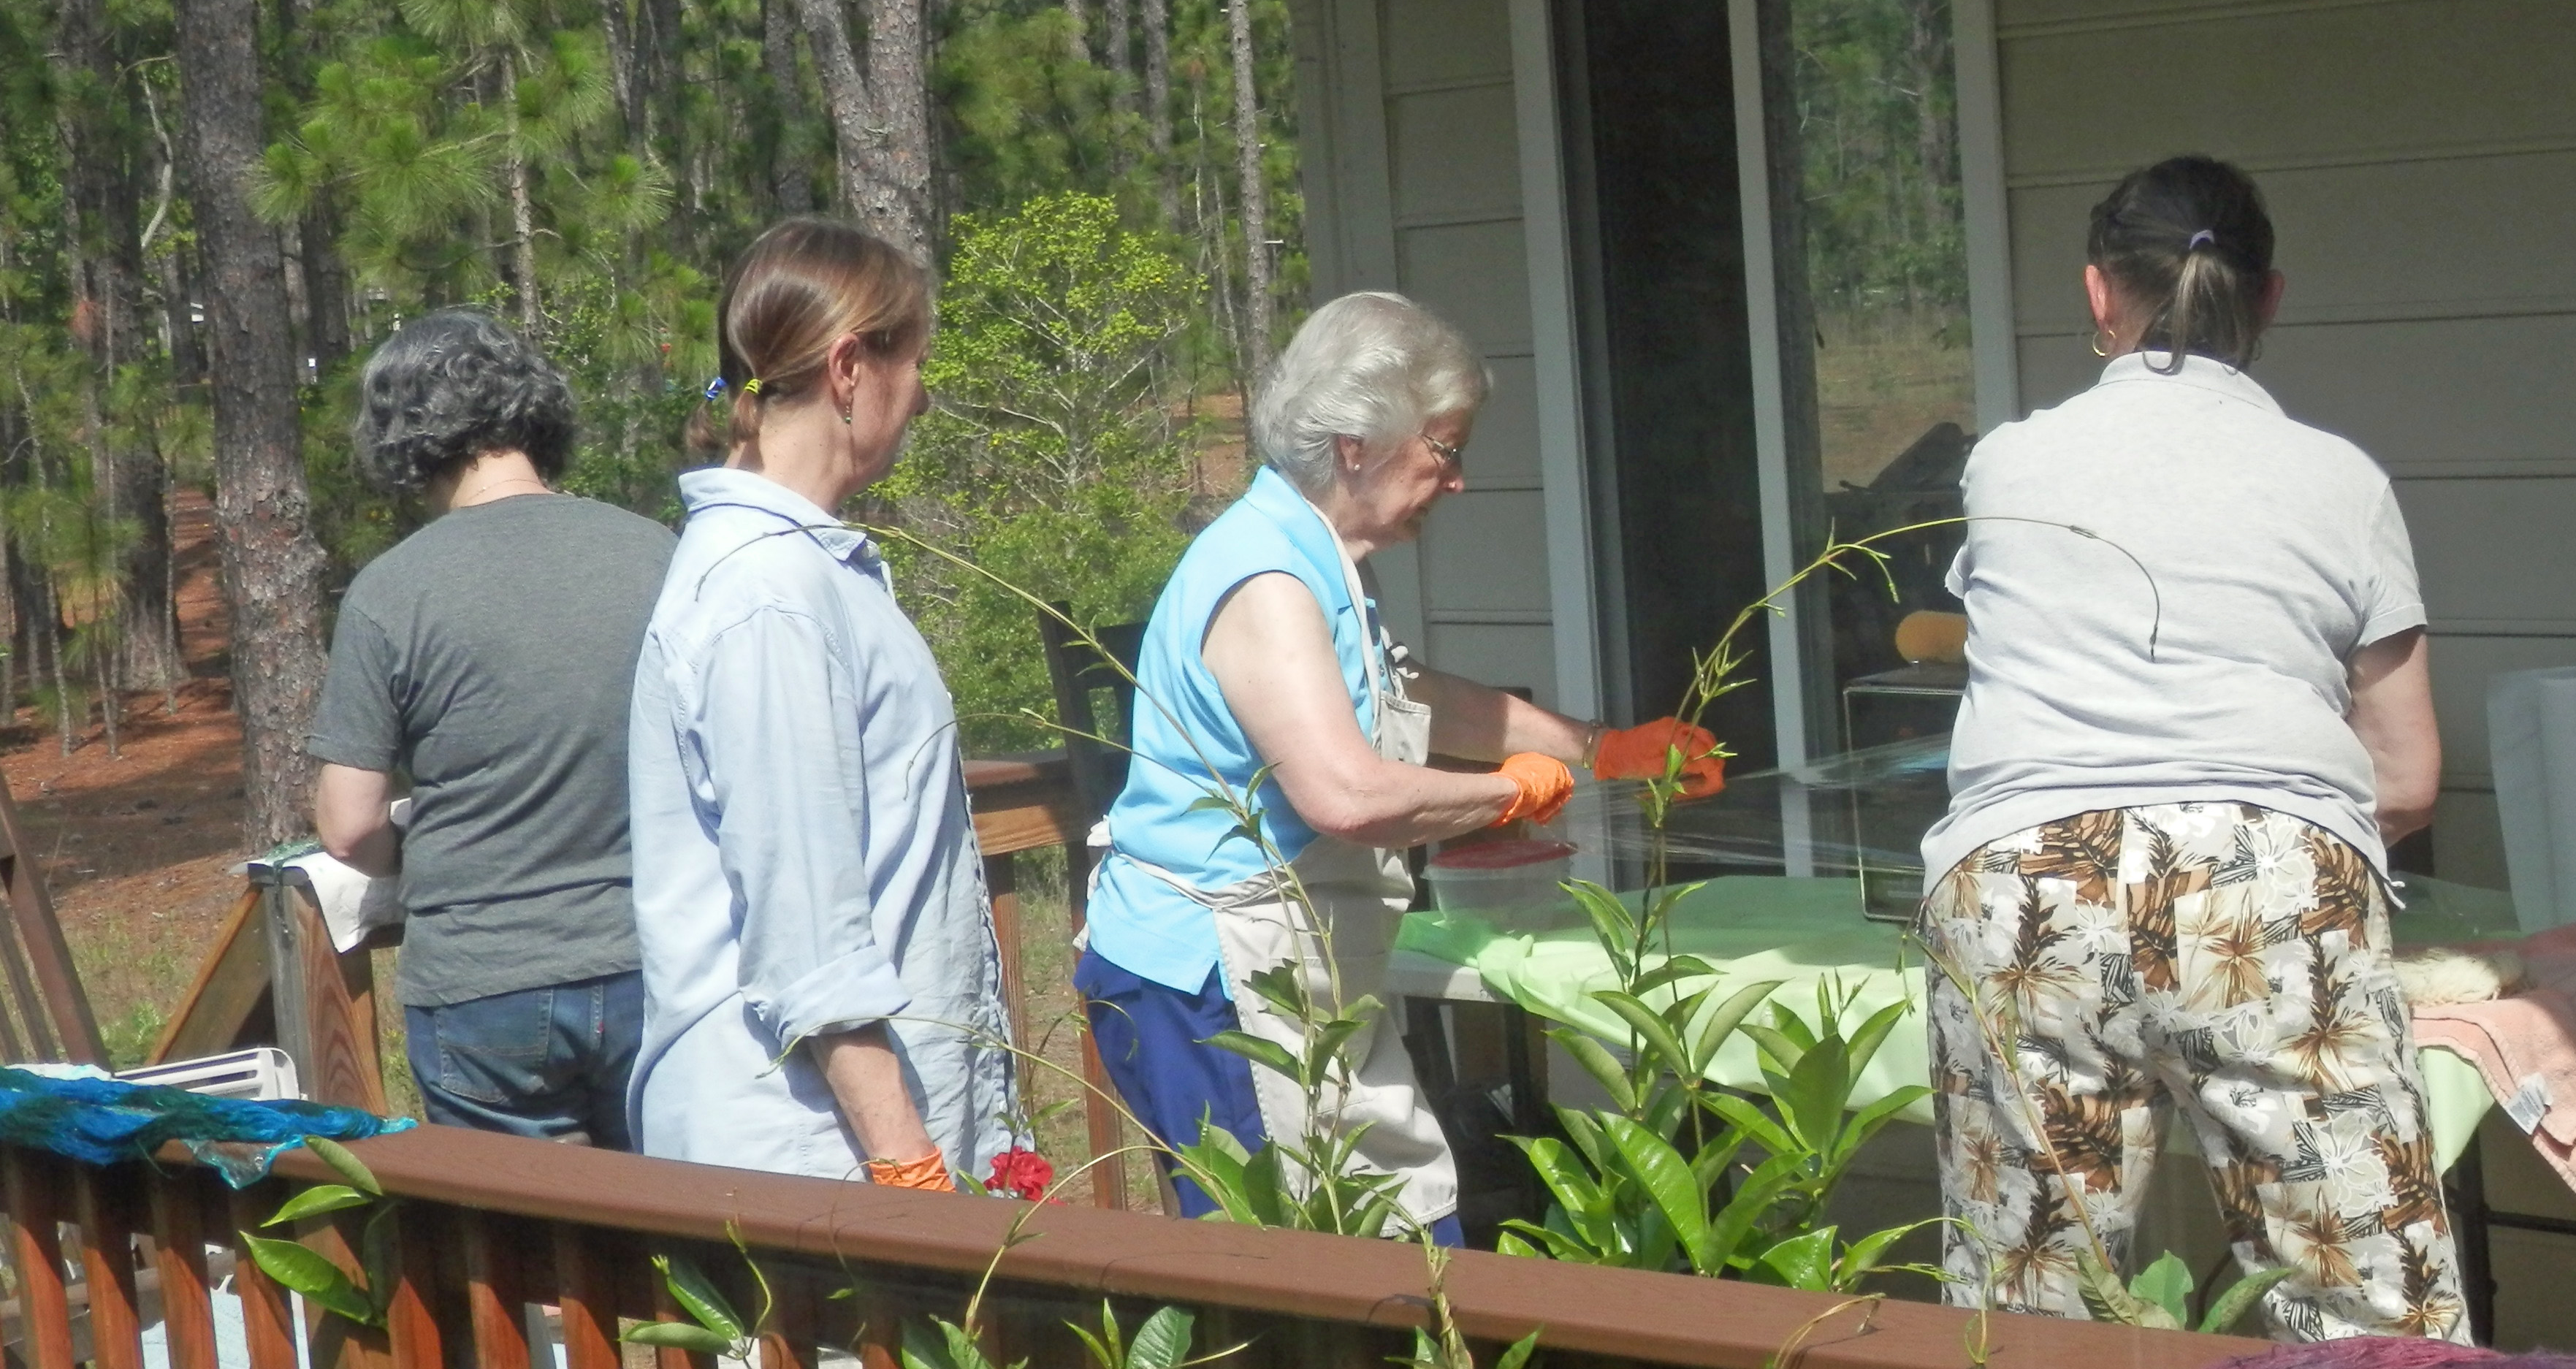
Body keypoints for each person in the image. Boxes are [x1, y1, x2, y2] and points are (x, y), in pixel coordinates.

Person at [1920, 155, 2469, 1342]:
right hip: (2267, 882)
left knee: (2029, 1324)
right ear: (2266, 297)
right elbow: (2407, 777)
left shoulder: (2006, 462)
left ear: (2097, 291)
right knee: (2367, 1323)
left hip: (2022, 884)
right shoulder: (2340, 479)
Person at [1076, 289, 1723, 1239]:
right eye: (1444, 449)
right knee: (1294, 1262)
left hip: (1288, 966)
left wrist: (1596, 747)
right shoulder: (1265, 577)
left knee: (1396, 1224)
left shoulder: (1322, 557)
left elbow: (1403, 693)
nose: (1456, 481)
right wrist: (1508, 793)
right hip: (1212, 979)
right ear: (1356, 445)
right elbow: (1345, 794)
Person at [628, 216, 1010, 1189]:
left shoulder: (794, 574)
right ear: (849, 369)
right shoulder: (769, 598)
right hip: (811, 1163)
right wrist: (909, 1168)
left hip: (830, 1150)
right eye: (914, 364)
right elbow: (807, 932)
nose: (922, 396)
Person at [309, 308, 674, 1145]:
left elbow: (348, 825)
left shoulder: (390, 591)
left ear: (399, 433)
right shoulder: (655, 552)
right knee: (681, 1216)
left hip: (485, 983)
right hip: (657, 960)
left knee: (522, 1229)